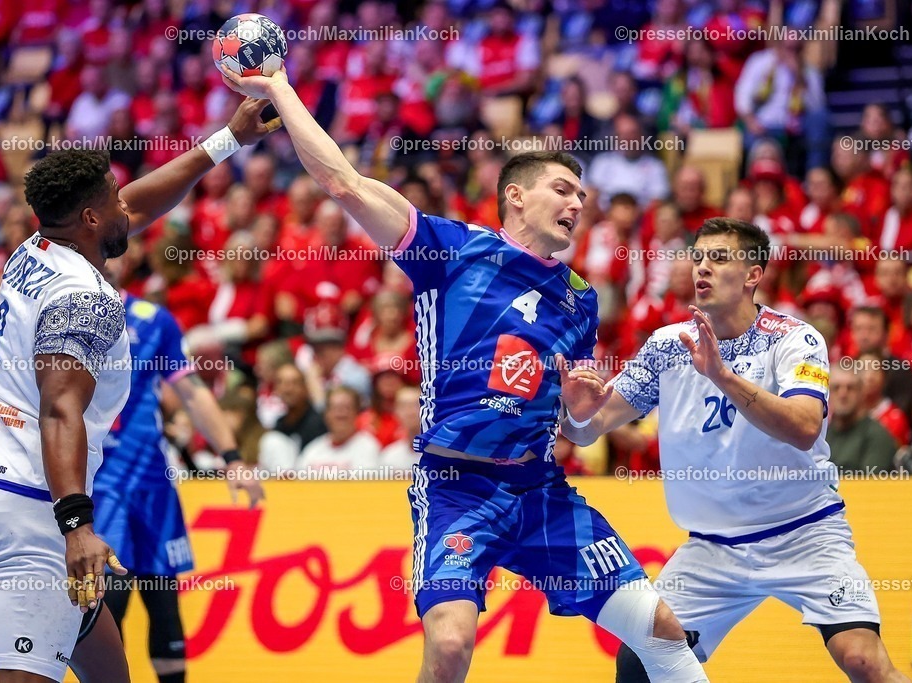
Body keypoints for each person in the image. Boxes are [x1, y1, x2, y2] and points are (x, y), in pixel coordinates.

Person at [221, 65, 708, 683]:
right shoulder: (450, 250)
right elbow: (344, 183)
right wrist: (281, 89)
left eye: (583, 198)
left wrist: (582, 409)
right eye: (563, 190)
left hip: (539, 490)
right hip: (456, 487)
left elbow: (579, 428)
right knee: (450, 647)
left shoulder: (580, 300)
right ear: (516, 196)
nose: (577, 204)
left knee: (661, 629)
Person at [0, 97, 278, 683]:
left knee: (110, 673)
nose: (128, 206)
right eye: (114, 199)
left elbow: (138, 203)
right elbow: (60, 410)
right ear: (92, 219)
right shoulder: (84, 298)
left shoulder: (33, 249)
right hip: (32, 516)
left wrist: (227, 138)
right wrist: (77, 527)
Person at [576, 218, 908, 682]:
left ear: (753, 274)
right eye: (698, 258)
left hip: (805, 533)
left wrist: (722, 376)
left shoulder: (794, 338)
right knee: (639, 662)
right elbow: (590, 428)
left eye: (719, 258)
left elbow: (804, 428)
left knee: (863, 660)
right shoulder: (668, 345)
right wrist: (576, 411)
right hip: (712, 549)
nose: (702, 267)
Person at [80, 287, 264, 683]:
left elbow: (192, 392)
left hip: (153, 485)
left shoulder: (152, 320)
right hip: (99, 484)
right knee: (108, 605)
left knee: (164, 606)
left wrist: (232, 458)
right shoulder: (63, 307)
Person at [827, 364, 899, 474]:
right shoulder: (822, 435)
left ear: (862, 392)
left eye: (850, 388)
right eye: (836, 388)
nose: (842, 394)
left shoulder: (877, 436)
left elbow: (869, 482)